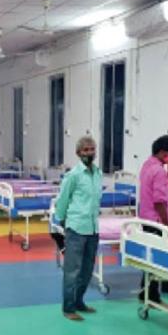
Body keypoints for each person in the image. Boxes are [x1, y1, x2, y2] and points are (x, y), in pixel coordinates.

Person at [54, 136, 103, 321]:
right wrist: (61, 220)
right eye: (86, 150)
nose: (90, 153)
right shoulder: (73, 175)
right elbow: (63, 200)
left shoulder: (98, 173)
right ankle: (68, 307)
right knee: (72, 270)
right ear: (78, 153)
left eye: (92, 149)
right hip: (76, 227)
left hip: (93, 228)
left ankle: (79, 301)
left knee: (87, 270)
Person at [137, 135, 168, 310]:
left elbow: (160, 188)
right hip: (157, 221)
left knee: (150, 259)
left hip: (146, 219)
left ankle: (145, 293)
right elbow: (159, 201)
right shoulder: (159, 171)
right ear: (163, 152)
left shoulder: (147, 166)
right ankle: (153, 297)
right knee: (158, 261)